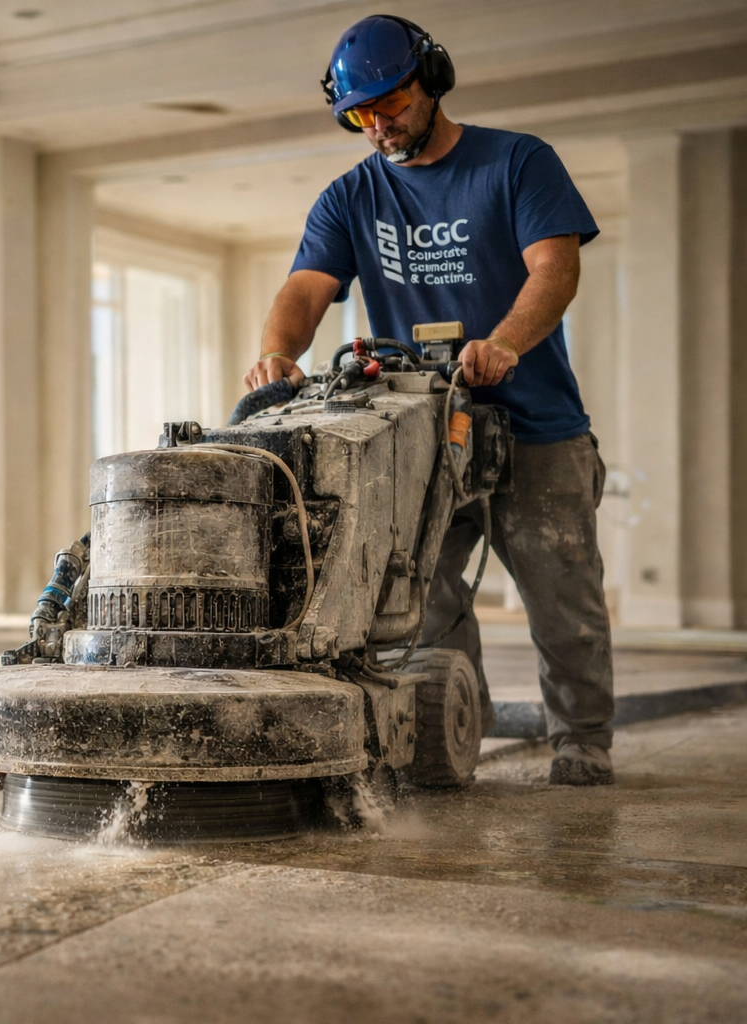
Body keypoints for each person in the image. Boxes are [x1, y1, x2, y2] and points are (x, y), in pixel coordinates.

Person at [243, 15, 614, 785]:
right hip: (424, 432)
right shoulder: (350, 198)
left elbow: (555, 268)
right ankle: (447, 743)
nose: (378, 124)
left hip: (536, 427)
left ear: (433, 80)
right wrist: (278, 353)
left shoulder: (517, 162)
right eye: (360, 115)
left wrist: (506, 342)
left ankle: (582, 738)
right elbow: (305, 288)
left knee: (560, 594)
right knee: (424, 597)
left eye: (392, 103)